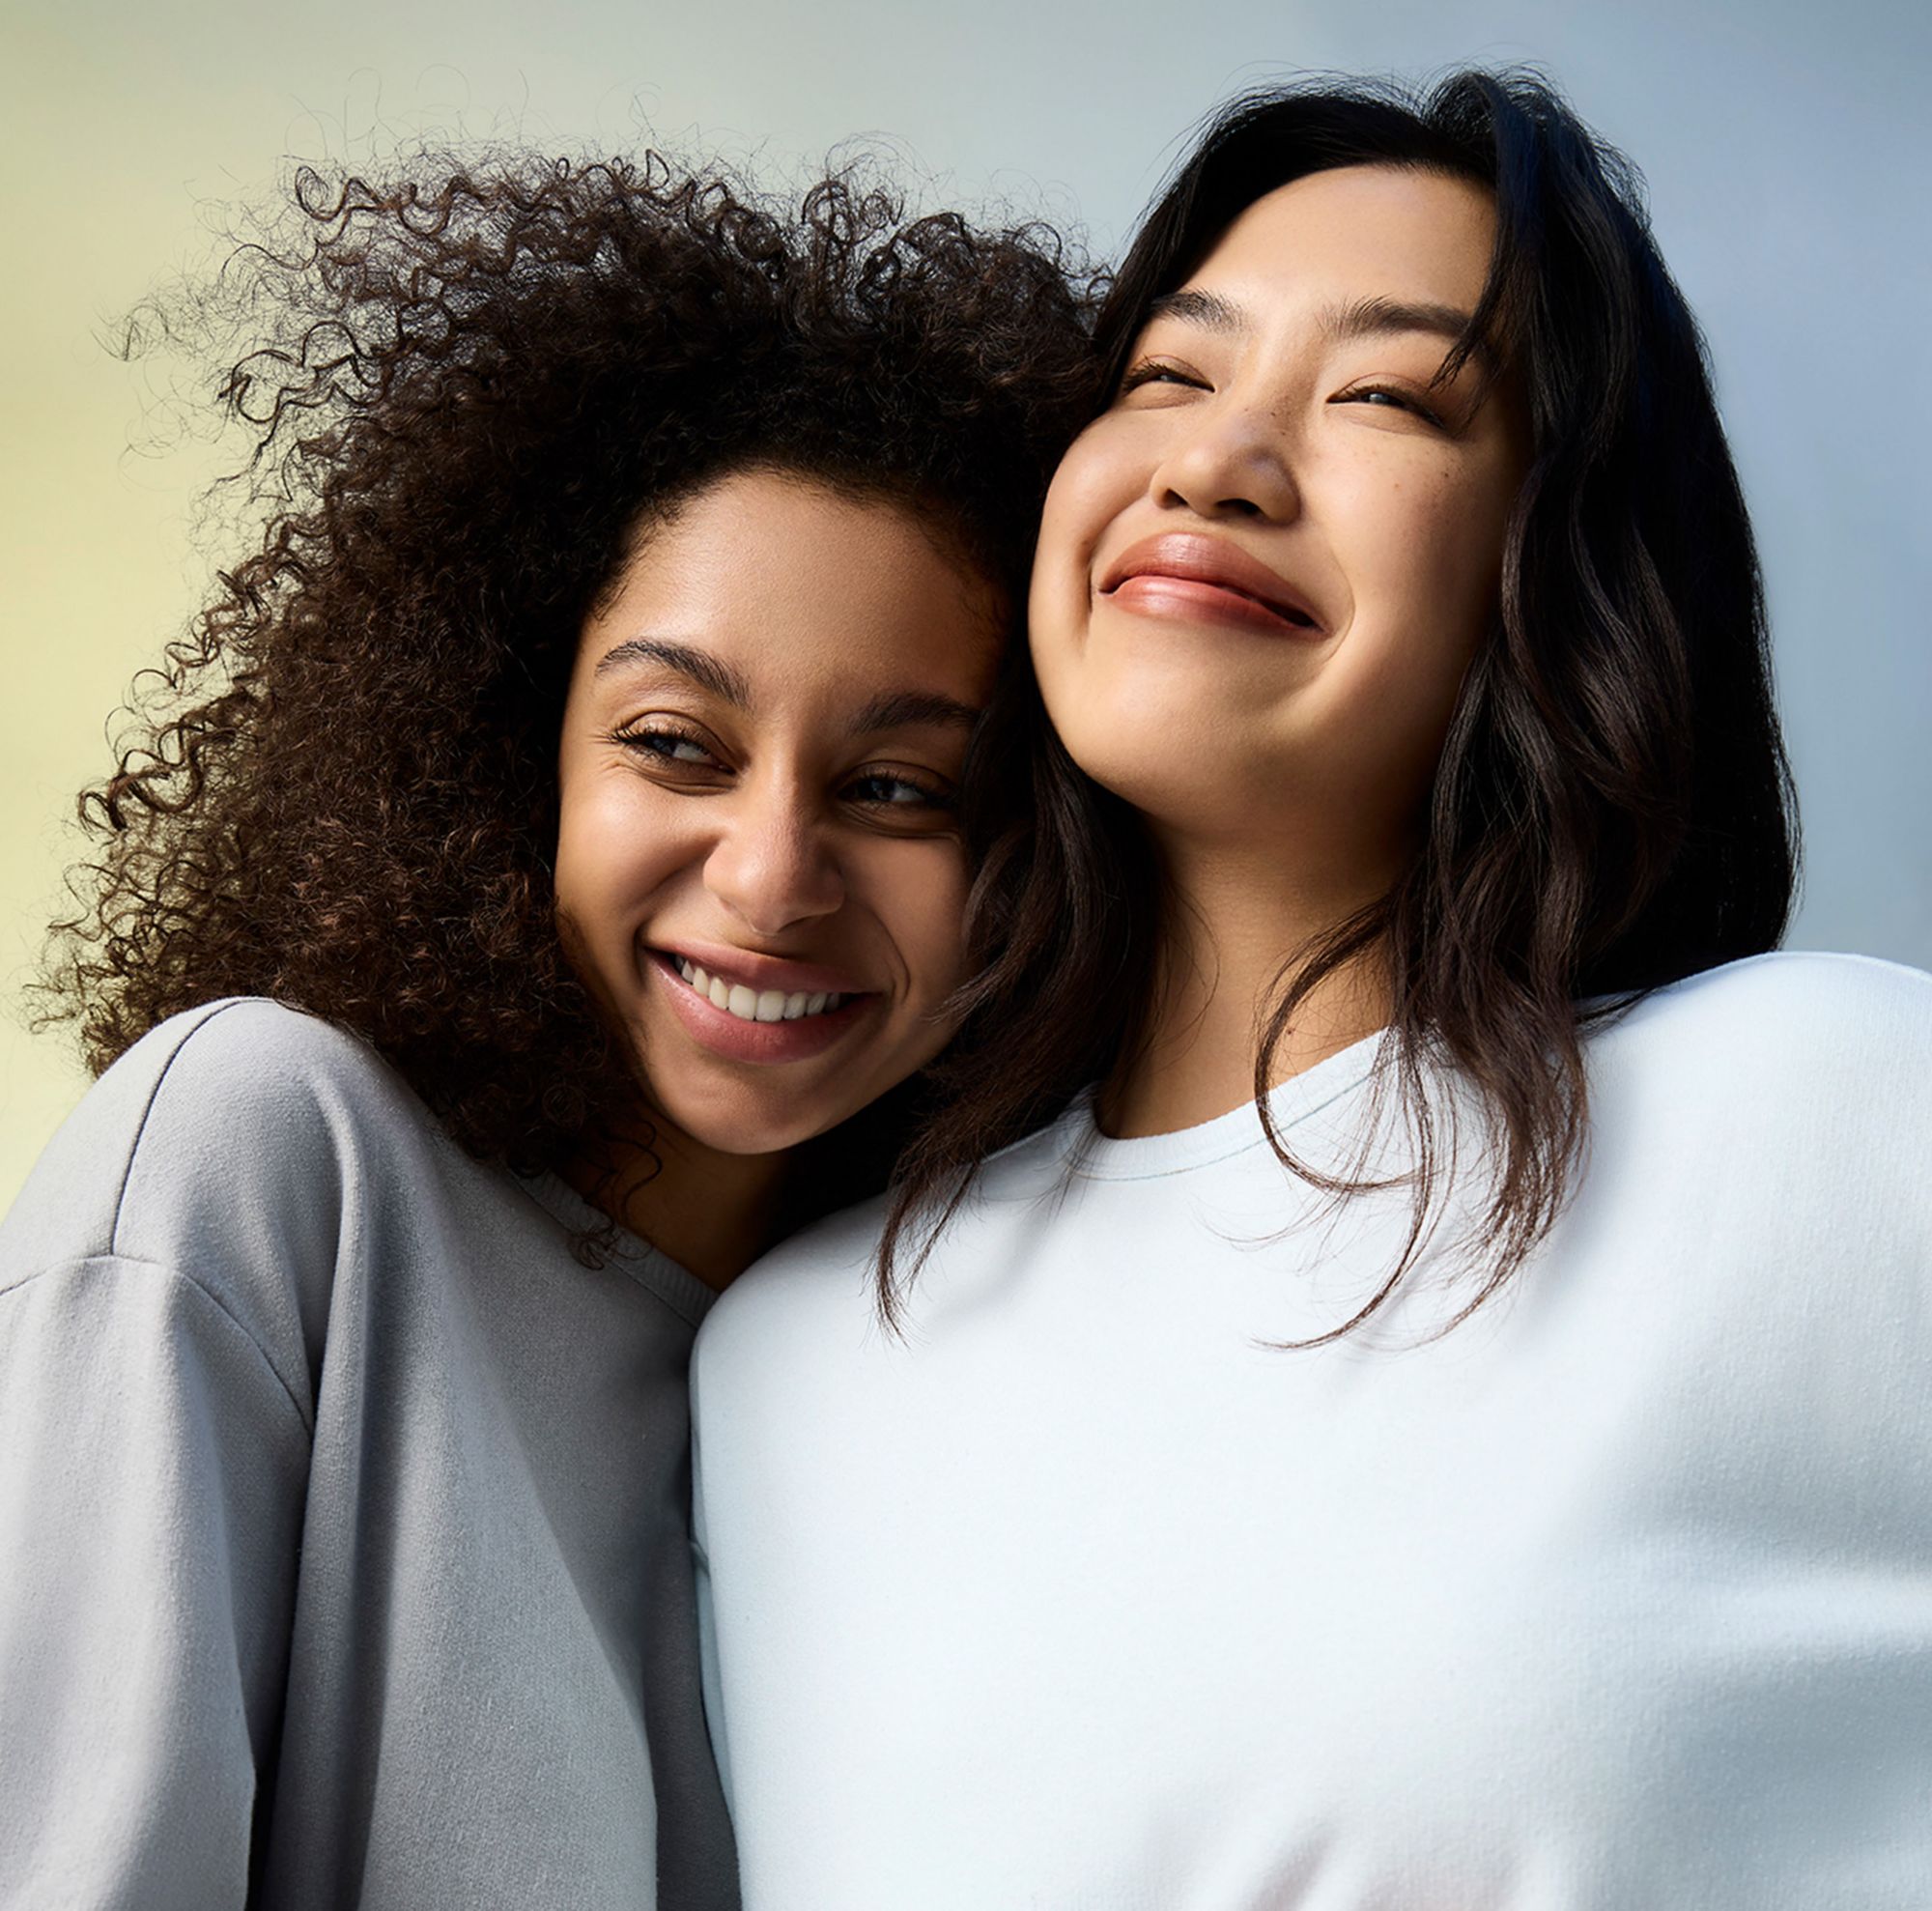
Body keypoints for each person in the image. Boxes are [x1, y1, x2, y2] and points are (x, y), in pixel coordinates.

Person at [691, 71, 1932, 1906]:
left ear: (1557, 577)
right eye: (1167, 380)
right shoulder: (790, 1366)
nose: (1215, 459)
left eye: (1384, 397)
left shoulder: (1819, 1114)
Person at [0, 154, 1094, 1910]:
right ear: (519, 755)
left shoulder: (899, 1373)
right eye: (676, 742)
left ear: (1038, 860)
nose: (772, 874)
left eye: (900, 787)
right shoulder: (268, 1156)